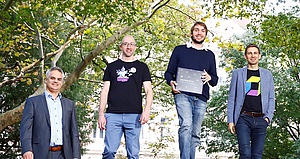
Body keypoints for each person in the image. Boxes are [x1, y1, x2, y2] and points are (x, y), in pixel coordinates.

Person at [164, 21, 219, 159]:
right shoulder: (180, 50)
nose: (199, 33)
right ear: (191, 33)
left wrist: (209, 77)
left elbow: (215, 81)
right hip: (182, 94)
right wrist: (171, 82)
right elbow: (169, 73)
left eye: (202, 31)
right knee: (186, 126)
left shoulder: (210, 55)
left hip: (201, 98)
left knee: (195, 132)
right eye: (196, 30)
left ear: (206, 34)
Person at [98, 35, 153, 159]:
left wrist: (147, 110)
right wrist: (101, 114)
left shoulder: (142, 67)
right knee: (109, 151)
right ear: (121, 46)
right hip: (113, 115)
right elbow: (105, 91)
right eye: (126, 44)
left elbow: (149, 91)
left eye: (131, 44)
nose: (129, 47)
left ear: (135, 47)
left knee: (133, 154)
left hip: (134, 116)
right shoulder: (111, 67)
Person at [20, 66, 81, 159]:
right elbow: (26, 129)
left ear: (62, 82)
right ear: (46, 80)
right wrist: (27, 149)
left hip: (64, 154)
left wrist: (76, 156)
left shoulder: (69, 104)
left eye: (59, 79)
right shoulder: (33, 102)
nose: (55, 81)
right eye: (52, 78)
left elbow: (74, 132)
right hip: (39, 153)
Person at [227, 44, 275, 159]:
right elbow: (231, 98)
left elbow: (271, 98)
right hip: (243, 118)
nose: (252, 56)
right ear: (245, 56)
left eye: (255, 53)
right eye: (249, 53)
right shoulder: (237, 74)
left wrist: (268, 118)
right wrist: (230, 120)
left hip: (261, 119)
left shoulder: (267, 74)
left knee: (257, 156)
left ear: (259, 56)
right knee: (245, 154)